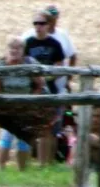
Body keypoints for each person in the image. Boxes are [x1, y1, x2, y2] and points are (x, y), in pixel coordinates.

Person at [23, 12, 67, 165]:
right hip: (32, 90)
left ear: (48, 25)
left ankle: (47, 163)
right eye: (35, 23)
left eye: (41, 23)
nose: (38, 26)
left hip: (50, 89)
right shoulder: (27, 43)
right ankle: (27, 162)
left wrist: (46, 79)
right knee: (30, 128)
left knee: (50, 129)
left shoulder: (55, 44)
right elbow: (22, 66)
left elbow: (60, 66)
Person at [0, 37, 40, 171]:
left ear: (23, 50)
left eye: (18, 48)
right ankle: (0, 168)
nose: (14, 51)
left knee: (23, 138)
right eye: (11, 47)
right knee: (6, 137)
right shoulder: (1, 65)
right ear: (7, 49)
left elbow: (39, 84)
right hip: (8, 107)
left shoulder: (29, 64)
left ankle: (22, 170)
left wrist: (32, 101)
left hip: (26, 106)